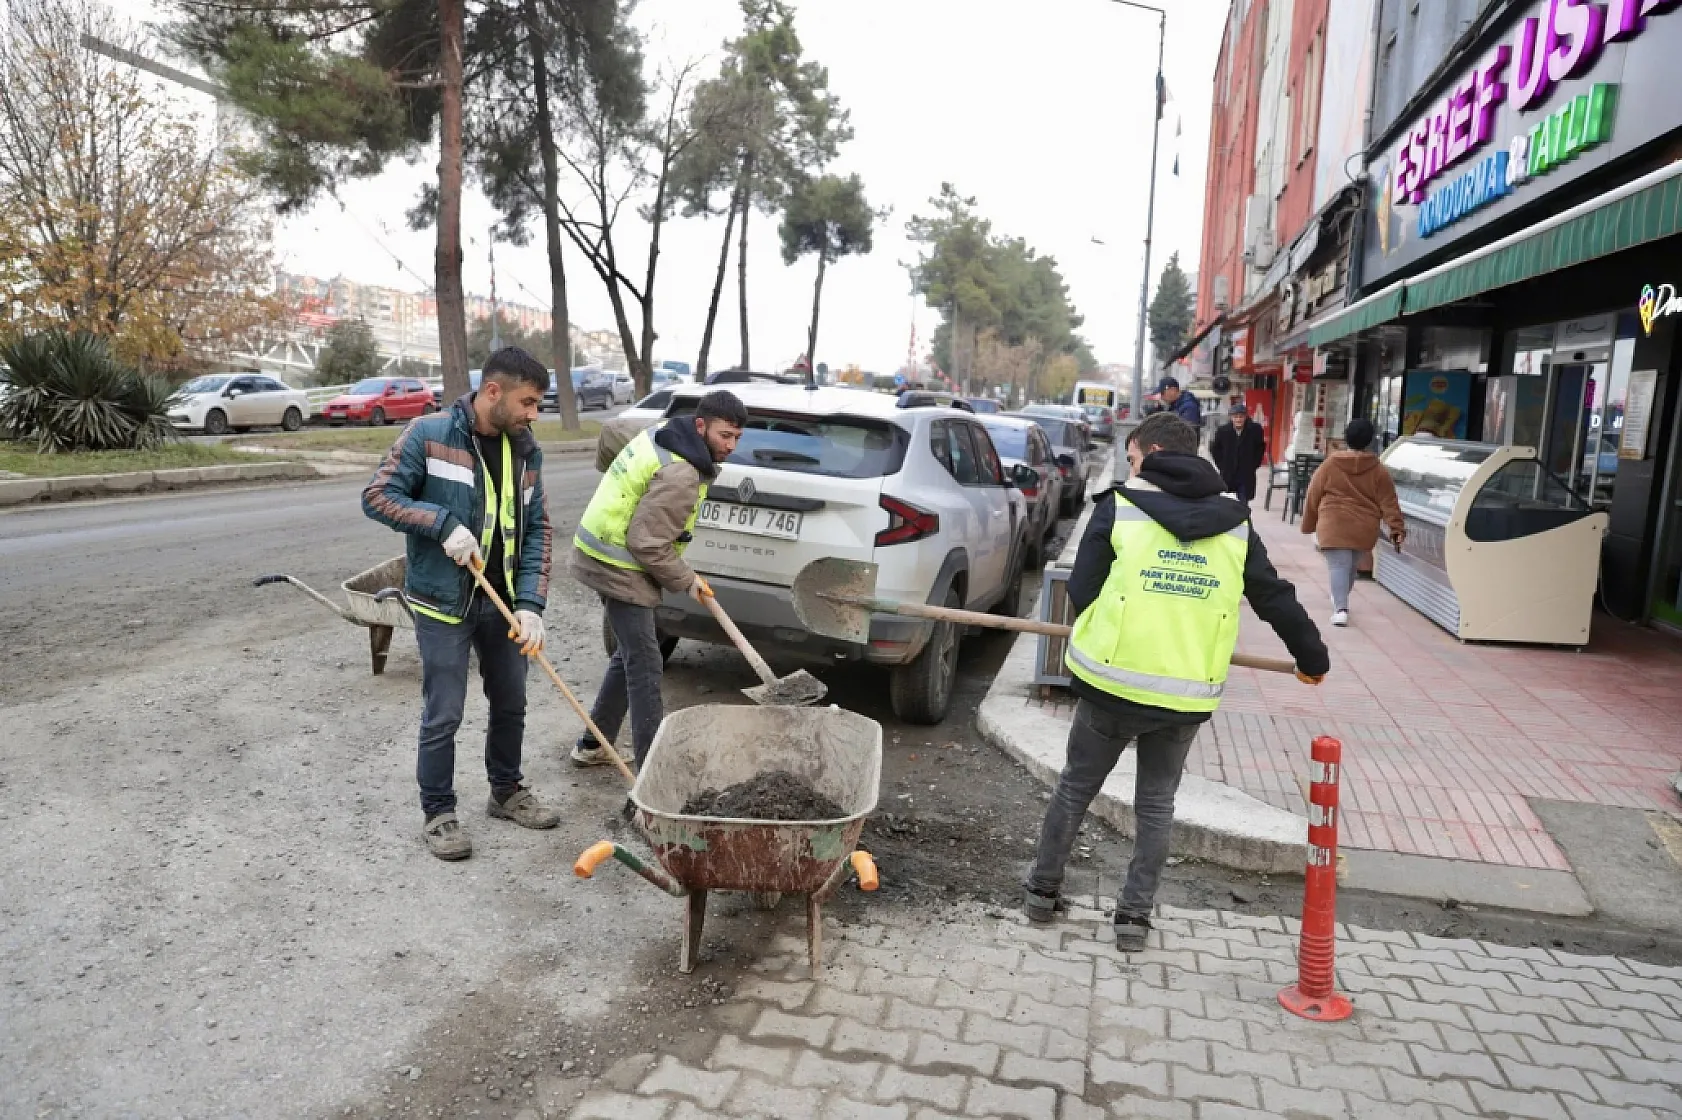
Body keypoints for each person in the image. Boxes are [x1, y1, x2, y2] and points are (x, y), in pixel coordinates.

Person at [1023, 412, 1330, 950]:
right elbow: (1272, 596)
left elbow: (1083, 590)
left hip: (1110, 682)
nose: (1131, 466)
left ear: (1155, 451)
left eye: (1135, 457)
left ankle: (1042, 895)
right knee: (1157, 805)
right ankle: (1133, 921)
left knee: (1075, 787)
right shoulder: (1237, 523)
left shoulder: (1119, 508)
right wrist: (1312, 657)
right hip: (1183, 694)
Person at [362, 347, 559, 861]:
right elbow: (379, 496)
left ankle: (506, 790)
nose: (533, 414)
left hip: (503, 602)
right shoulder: (429, 435)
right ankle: (439, 812)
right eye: (528, 402)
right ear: (493, 392)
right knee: (444, 711)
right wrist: (442, 525)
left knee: (511, 702)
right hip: (443, 602)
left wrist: (532, 603)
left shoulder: (524, 449)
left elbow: (536, 526)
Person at [570, 390, 748, 768]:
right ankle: (653, 766)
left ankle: (592, 743)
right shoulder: (682, 473)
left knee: (630, 653)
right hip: (618, 563)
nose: (731, 446)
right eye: (724, 436)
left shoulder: (670, 433)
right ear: (701, 426)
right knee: (647, 661)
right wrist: (686, 578)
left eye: (737, 438)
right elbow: (646, 544)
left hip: (605, 549)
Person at [1300, 418, 1406, 628]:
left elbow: (1314, 493)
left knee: (1339, 566)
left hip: (1333, 523)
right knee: (1349, 568)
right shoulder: (1379, 470)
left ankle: (1340, 608)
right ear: (1369, 441)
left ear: (1346, 438)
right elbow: (1389, 501)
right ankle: (1340, 602)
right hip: (1364, 527)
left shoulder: (1331, 464)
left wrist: (1309, 523)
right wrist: (1396, 527)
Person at [1209, 402, 1267, 503]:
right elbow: (1215, 449)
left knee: (1243, 504)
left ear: (1245, 417)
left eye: (1241, 417)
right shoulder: (1223, 431)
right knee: (1227, 503)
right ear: (1231, 417)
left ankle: (1243, 519)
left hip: (1246, 473)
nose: (1238, 419)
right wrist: (1222, 465)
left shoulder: (1254, 430)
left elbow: (1260, 448)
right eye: (1236, 417)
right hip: (1228, 473)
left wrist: (1254, 464)